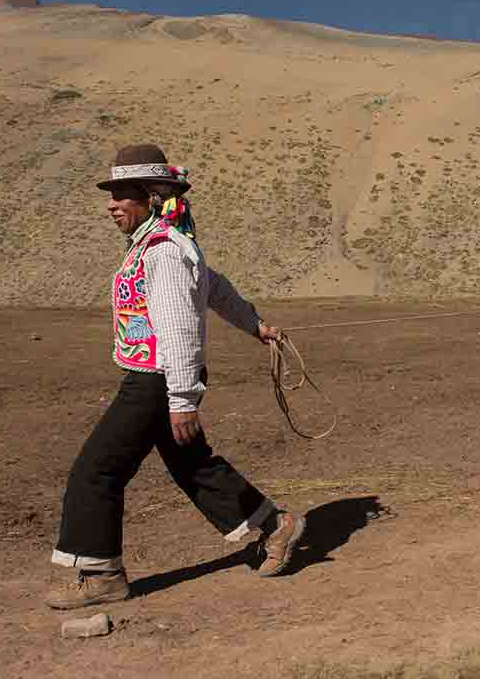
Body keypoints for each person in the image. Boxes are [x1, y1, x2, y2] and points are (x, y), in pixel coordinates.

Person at [46, 144, 305, 610]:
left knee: (97, 470)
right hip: (157, 376)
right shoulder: (161, 243)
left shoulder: (163, 250)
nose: (111, 204)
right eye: (113, 194)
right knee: (192, 464)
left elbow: (180, 327)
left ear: (150, 197)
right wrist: (254, 324)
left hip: (157, 379)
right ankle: (275, 527)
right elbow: (215, 286)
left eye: (122, 195)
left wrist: (183, 397)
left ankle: (101, 573)